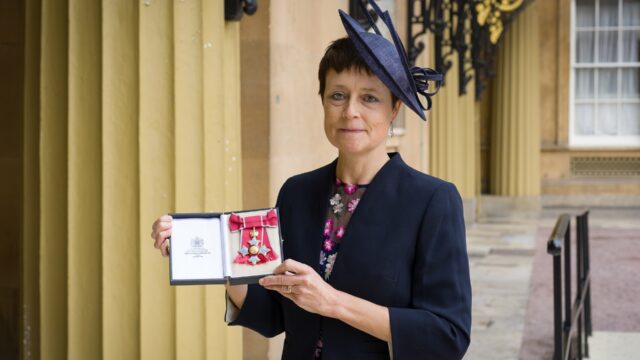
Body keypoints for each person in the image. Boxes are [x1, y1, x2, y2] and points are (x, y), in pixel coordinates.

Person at [151, 1, 471, 358]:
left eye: (369, 98)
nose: (350, 111)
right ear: (322, 101)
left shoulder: (432, 201)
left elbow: (448, 336)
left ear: (394, 109)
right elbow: (275, 315)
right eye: (338, 95)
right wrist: (217, 262)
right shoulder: (297, 192)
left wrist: (332, 302)